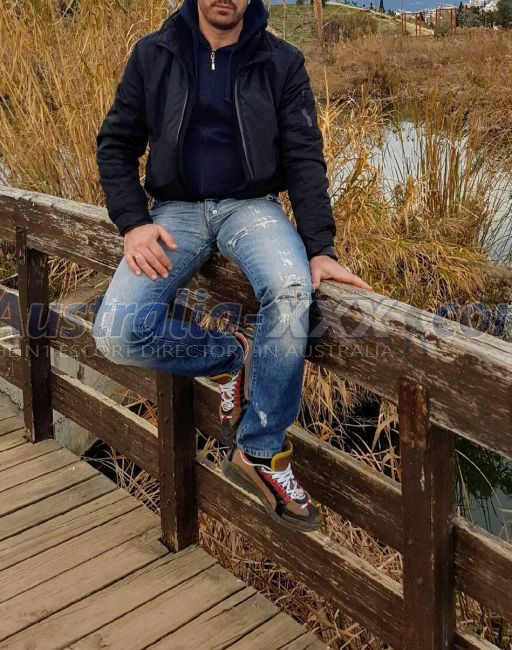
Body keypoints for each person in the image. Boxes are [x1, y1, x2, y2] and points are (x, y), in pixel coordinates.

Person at [92, 0, 371, 532]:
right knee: (116, 334)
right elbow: (115, 145)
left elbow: (304, 157)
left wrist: (320, 248)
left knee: (291, 289)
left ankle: (260, 450)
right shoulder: (154, 54)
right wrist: (133, 222)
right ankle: (229, 355)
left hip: (252, 206)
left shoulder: (281, 61)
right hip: (174, 213)